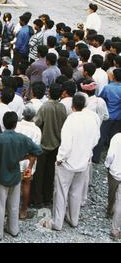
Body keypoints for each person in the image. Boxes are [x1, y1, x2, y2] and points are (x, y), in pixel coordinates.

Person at [0, 112, 42, 241]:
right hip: (15, 176)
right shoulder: (21, 138)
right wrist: (24, 156)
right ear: (15, 124)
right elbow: (38, 150)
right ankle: (13, 229)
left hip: (1, 175)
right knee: (14, 205)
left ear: (4, 123)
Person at [50, 94, 100, 230]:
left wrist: (60, 159)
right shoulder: (92, 119)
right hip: (84, 162)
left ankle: (57, 223)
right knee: (76, 192)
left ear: (72, 107)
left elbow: (66, 145)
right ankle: (74, 220)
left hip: (67, 163)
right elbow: (96, 140)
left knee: (61, 192)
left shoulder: (70, 120)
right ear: (84, 105)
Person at [30, 83, 68, 208]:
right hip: (57, 144)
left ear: (50, 93)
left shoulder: (45, 107)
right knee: (50, 173)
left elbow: (37, 122)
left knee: (39, 174)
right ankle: (48, 197)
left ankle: (37, 200)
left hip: (44, 144)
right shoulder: (62, 107)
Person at [15, 105, 42, 219]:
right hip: (28, 163)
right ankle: (23, 211)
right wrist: (30, 166)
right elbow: (36, 150)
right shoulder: (36, 130)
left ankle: (9, 209)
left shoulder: (16, 126)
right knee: (26, 185)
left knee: (13, 187)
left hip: (15, 161)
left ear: (23, 114)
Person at [105, 131, 121, 240]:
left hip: (115, 172)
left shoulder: (117, 137)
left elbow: (110, 155)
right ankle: (115, 229)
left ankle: (110, 209)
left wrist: (107, 164)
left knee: (111, 193)